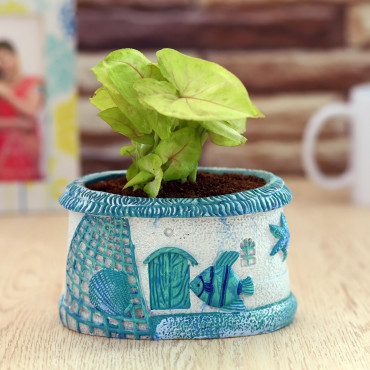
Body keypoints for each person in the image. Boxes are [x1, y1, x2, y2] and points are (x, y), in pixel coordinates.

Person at [0, 40, 43, 181]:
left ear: (16, 57)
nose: (3, 65)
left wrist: (8, 94)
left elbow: (31, 110)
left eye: (6, 59)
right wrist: (18, 123)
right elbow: (27, 122)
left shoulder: (36, 82)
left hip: (27, 148)